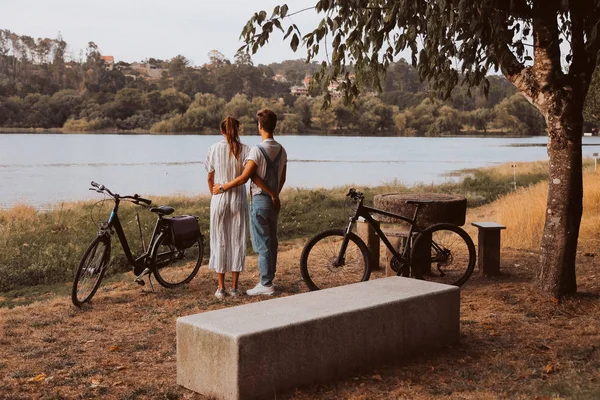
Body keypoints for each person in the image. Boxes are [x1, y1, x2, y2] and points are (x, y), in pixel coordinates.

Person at [212, 109, 287, 296]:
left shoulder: (257, 150)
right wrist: (275, 194)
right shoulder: (282, 150)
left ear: (260, 126)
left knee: (262, 244)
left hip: (260, 200)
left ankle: (265, 283)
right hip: (274, 201)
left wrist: (222, 187)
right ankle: (269, 278)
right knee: (272, 243)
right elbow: (282, 178)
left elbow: (247, 177)